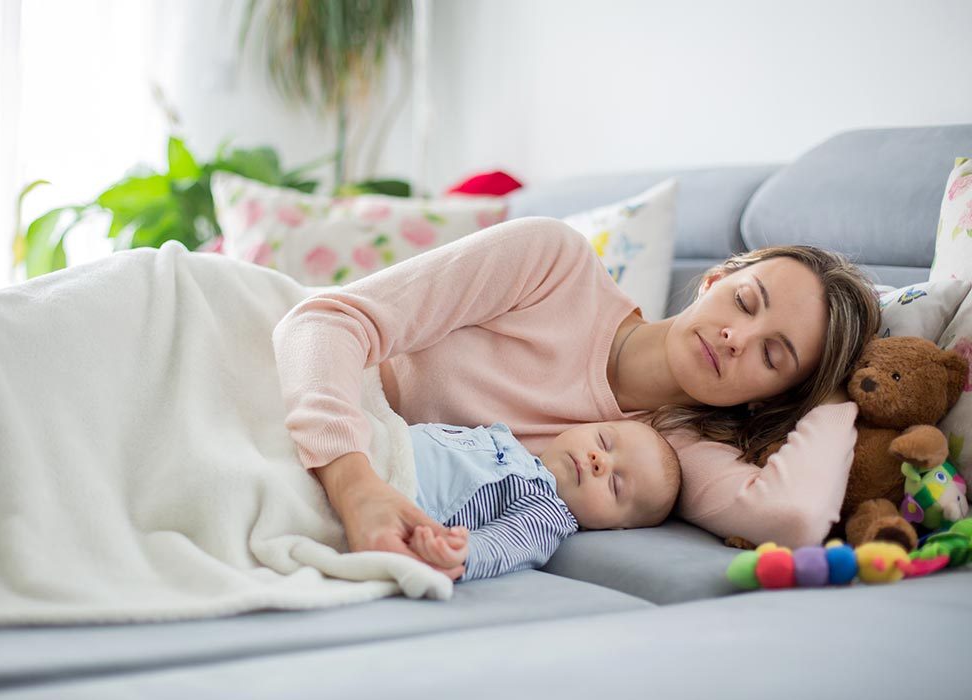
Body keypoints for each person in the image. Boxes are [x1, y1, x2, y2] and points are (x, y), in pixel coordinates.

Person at [271, 217, 880, 577]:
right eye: (745, 302)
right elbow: (323, 322)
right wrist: (356, 486)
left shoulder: (666, 452)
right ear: (716, 280)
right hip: (278, 358)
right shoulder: (551, 264)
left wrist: (835, 390)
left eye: (774, 356)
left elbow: (795, 517)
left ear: (774, 395)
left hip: (300, 455)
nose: (736, 337)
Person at [407, 418, 681, 581]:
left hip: (402, 493)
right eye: (603, 441)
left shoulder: (549, 513)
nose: (599, 460)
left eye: (615, 484)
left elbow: (507, 545)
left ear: (613, 527)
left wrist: (462, 553)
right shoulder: (513, 446)